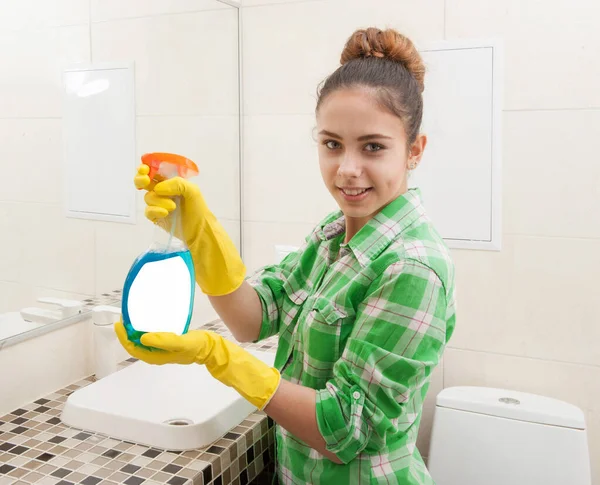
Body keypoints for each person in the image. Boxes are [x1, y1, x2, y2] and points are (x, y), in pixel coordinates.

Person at [115, 26, 456, 485]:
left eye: (373, 146)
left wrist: (222, 359)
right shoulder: (333, 235)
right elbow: (252, 319)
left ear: (414, 150)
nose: (347, 169)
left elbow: (346, 430)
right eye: (332, 143)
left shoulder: (413, 267)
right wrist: (198, 230)